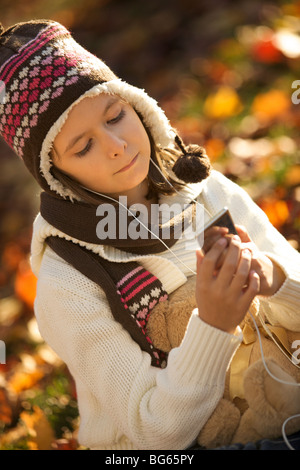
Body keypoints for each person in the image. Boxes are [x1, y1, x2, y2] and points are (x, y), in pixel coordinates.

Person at [0, 19, 299, 451]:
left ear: (135, 104)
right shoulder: (69, 282)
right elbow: (156, 433)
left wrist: (275, 278)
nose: (116, 145)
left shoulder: (207, 193)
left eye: (116, 116)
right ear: (56, 172)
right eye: (82, 147)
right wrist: (212, 327)